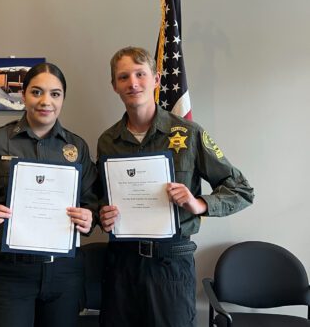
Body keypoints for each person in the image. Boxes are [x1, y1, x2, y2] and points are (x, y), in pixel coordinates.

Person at [97, 46, 254, 327]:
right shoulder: (108, 140)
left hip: (170, 263)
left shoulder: (188, 133)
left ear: (156, 80)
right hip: (122, 264)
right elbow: (98, 195)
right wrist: (101, 213)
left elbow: (242, 189)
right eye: (123, 77)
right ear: (114, 86)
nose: (133, 83)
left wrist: (199, 204)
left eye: (140, 74)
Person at [0, 62, 98, 327]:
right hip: (9, 273)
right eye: (37, 92)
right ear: (24, 95)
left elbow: (93, 201)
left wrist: (88, 217)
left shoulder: (76, 146)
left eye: (55, 94)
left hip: (63, 274)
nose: (46, 101)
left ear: (63, 99)